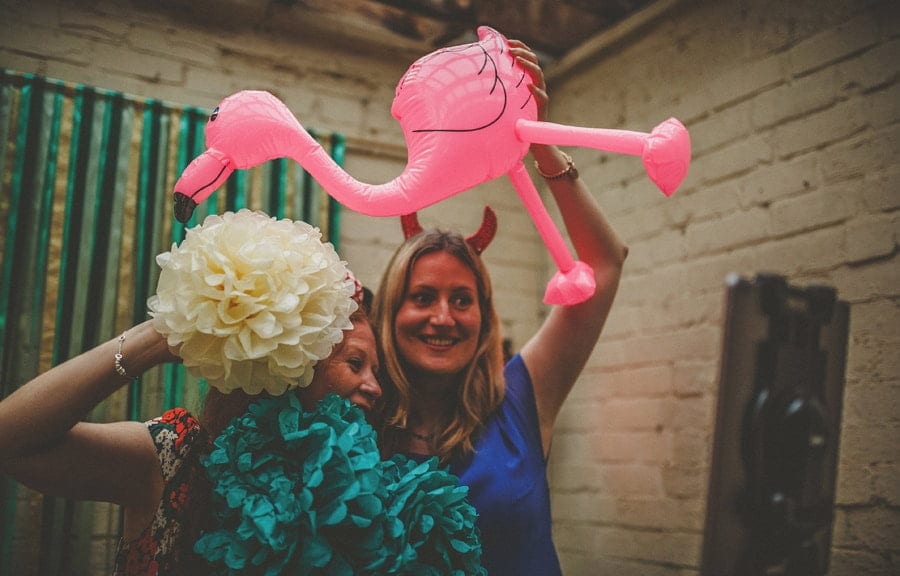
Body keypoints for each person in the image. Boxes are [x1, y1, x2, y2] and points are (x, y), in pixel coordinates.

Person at [370, 40, 629, 576]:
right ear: (391, 313)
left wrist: (542, 145)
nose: (443, 317)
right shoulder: (354, 418)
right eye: (423, 298)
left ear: (485, 319)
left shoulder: (521, 401)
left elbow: (604, 264)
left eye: (462, 300)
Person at [0, 212, 382, 574]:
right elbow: (10, 439)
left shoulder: (362, 489)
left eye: (376, 372)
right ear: (298, 367)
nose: (376, 387)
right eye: (355, 362)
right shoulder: (178, 457)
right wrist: (166, 332)